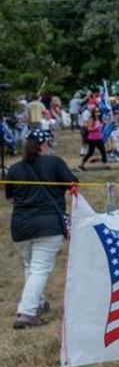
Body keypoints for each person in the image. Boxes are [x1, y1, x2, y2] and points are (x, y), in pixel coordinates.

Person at [5, 129, 76, 329]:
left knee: (31, 266)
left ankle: (38, 302)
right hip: (48, 226)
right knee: (39, 269)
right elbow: (74, 184)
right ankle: (27, 312)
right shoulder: (54, 162)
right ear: (44, 144)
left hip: (20, 227)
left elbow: (10, 198)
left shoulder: (14, 169)